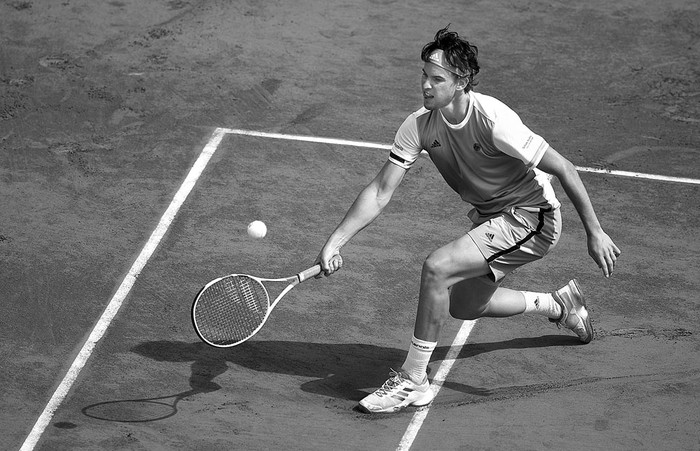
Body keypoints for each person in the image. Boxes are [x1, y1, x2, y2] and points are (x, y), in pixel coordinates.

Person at [316, 26, 621, 414]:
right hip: (492, 218)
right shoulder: (418, 126)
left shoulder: (493, 119)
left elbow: (564, 167)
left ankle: (413, 379)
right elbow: (380, 190)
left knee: (437, 268)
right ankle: (559, 305)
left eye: (436, 78)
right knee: (464, 305)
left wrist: (594, 232)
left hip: (532, 217)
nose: (426, 85)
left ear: (460, 82)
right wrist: (336, 241)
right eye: (424, 76)